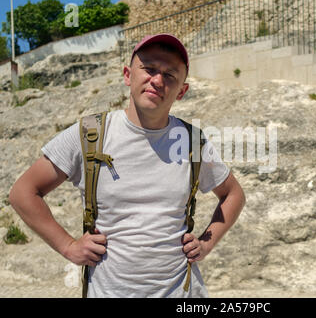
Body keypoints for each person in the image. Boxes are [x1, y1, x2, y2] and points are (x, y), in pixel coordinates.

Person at [9, 33, 246, 298]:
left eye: (170, 75)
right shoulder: (91, 133)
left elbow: (233, 194)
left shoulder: (192, 142)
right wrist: (68, 246)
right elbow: (23, 192)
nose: (157, 80)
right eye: (149, 69)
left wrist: (206, 243)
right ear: (127, 75)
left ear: (181, 91)